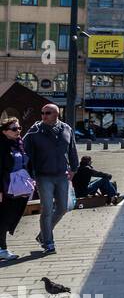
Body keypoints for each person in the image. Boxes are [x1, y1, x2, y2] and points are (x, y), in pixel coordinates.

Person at [24, 103, 78, 255]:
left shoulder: (66, 129)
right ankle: (48, 242)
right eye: (42, 113)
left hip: (62, 175)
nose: (43, 115)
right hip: (43, 176)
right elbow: (25, 151)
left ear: (56, 114)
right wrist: (31, 174)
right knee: (47, 209)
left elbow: (72, 149)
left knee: (63, 208)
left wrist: (74, 169)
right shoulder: (35, 130)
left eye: (47, 113)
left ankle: (42, 235)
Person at [0, 117, 34, 260]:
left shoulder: (19, 143)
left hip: (20, 187)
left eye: (19, 128)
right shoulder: (2, 146)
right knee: (3, 218)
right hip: (6, 187)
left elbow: (27, 163)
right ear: (4, 132)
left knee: (12, 217)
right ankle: (2, 249)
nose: (18, 131)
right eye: (14, 129)